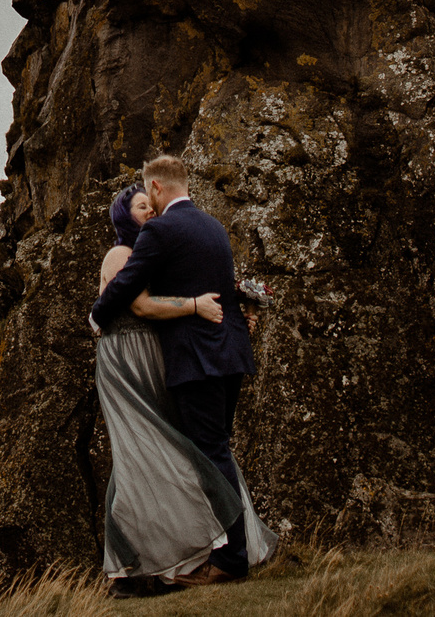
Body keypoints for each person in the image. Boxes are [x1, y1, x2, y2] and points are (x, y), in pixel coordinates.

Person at [89, 155, 273, 589]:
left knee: (209, 453)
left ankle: (232, 558)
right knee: (216, 449)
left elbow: (126, 287)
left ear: (155, 187)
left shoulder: (160, 230)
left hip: (198, 358)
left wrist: (97, 315)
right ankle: (223, 548)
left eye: (145, 195)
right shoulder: (213, 225)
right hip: (229, 355)